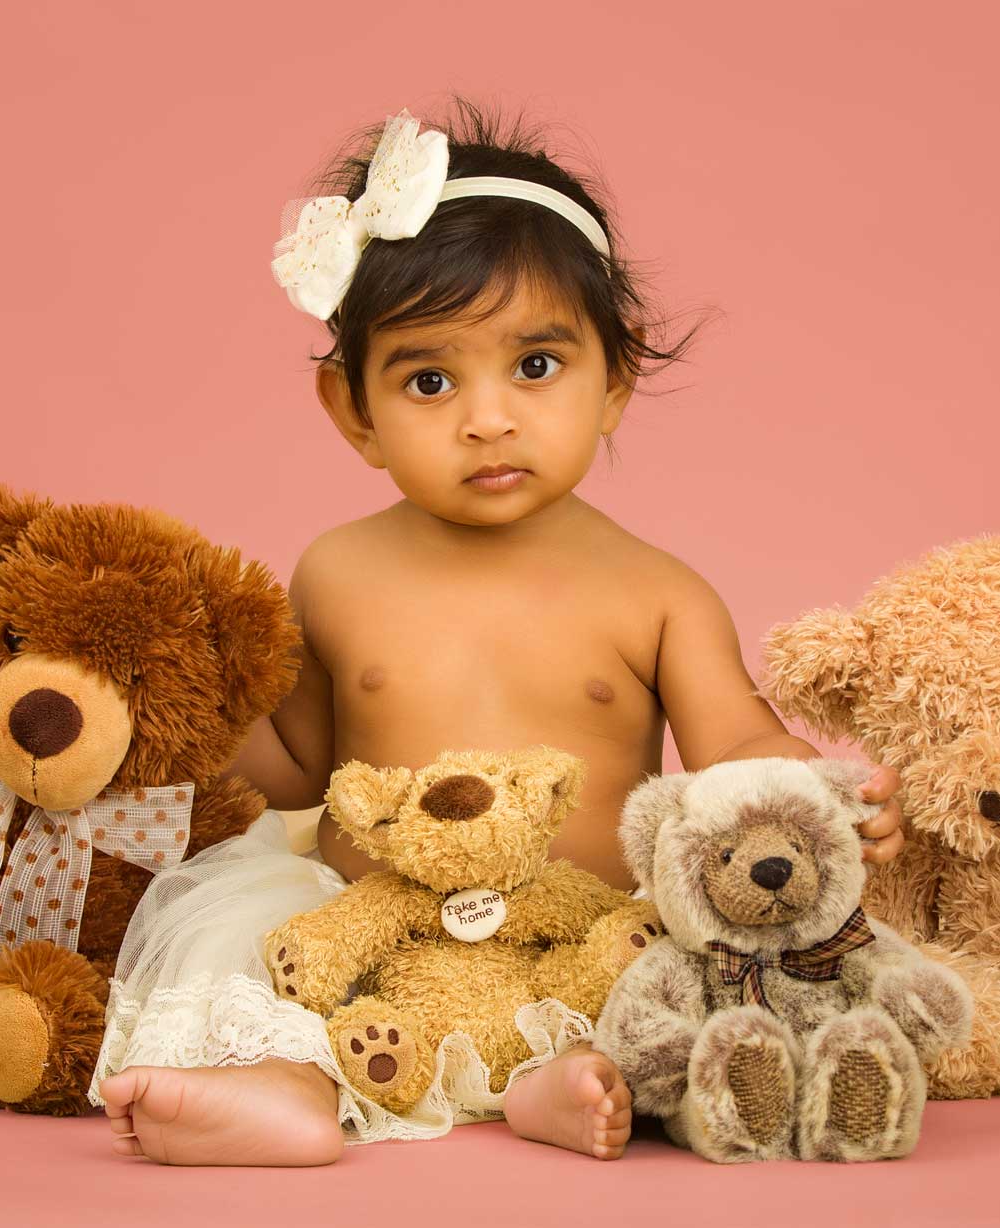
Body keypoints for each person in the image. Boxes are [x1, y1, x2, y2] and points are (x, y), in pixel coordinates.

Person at [88, 102, 905, 1166]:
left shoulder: (657, 592)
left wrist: (816, 792)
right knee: (256, 951)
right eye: (429, 380)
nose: (486, 418)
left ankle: (553, 1087)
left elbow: (734, 748)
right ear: (353, 412)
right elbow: (292, 771)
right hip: (373, 924)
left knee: (687, 981)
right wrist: (185, 700)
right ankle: (285, 1087)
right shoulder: (336, 569)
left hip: (584, 927)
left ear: (612, 380)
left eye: (534, 367)